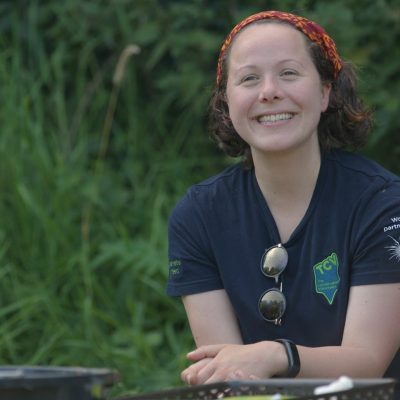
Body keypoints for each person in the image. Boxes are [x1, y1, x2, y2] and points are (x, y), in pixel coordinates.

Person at [166, 10, 400, 398]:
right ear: (227, 100)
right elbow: (227, 376)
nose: (269, 91)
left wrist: (278, 355)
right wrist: (243, 366)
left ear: (325, 91)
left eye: (289, 73)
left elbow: (367, 364)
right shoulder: (198, 216)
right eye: (249, 78)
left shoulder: (383, 205)